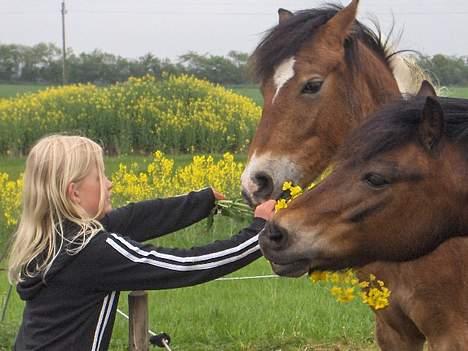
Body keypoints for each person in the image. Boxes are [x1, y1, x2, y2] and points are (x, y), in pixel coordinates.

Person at [8, 135, 275, 351]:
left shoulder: (55, 238)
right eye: (99, 176)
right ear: (74, 192)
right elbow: (186, 265)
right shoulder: (90, 251)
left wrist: (200, 203)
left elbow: (137, 218)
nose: (110, 183)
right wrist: (259, 233)